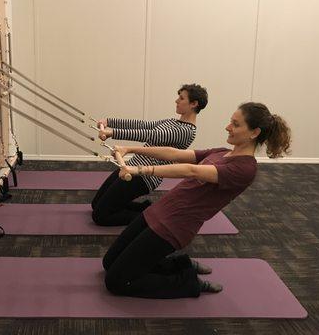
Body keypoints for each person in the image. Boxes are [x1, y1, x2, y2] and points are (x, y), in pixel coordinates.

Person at [103, 102, 291, 298]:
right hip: (157, 212)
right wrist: (129, 149)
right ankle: (180, 263)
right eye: (230, 122)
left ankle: (187, 282)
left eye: (235, 124)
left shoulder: (245, 169)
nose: (228, 127)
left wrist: (140, 170)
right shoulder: (221, 152)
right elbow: (175, 154)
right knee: (109, 263)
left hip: (173, 227)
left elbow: (192, 170)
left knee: (115, 282)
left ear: (254, 133)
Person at [91, 84, 208, 226]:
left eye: (181, 98)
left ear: (194, 104)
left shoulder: (186, 131)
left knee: (99, 216)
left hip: (144, 178)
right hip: (130, 167)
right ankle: (146, 208)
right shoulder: (172, 121)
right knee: (95, 204)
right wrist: (110, 122)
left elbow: (149, 134)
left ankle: (149, 219)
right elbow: (143, 125)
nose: (176, 101)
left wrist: (113, 132)